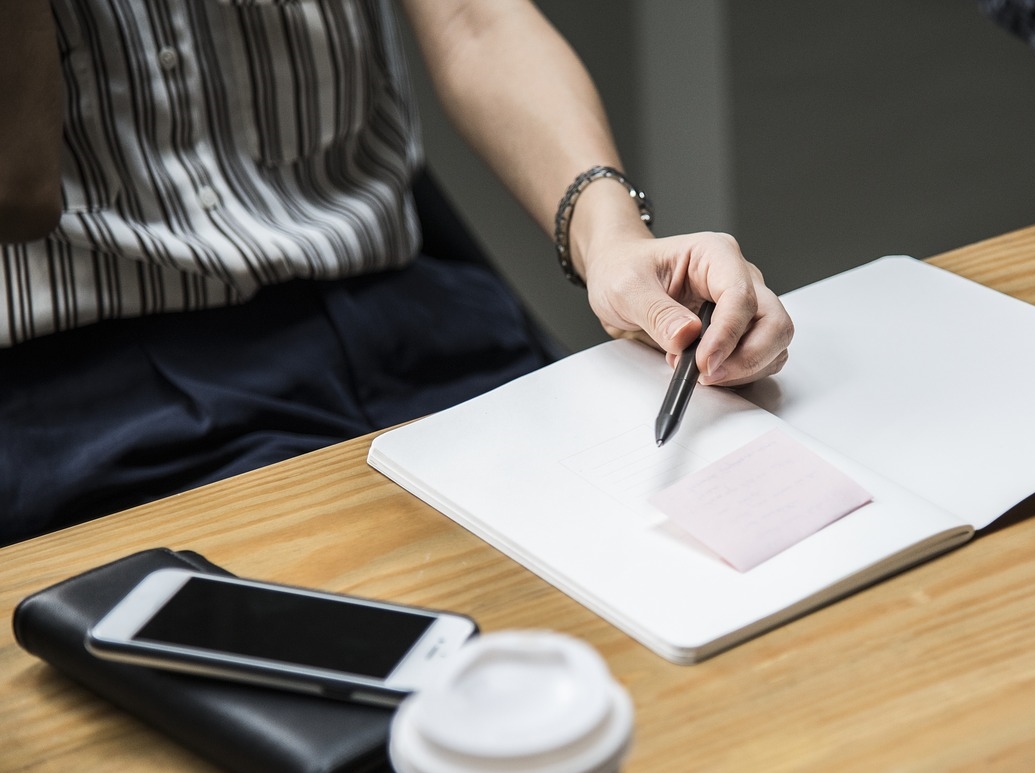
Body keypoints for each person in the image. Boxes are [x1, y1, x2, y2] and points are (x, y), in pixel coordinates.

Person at [0, 0, 793, 545]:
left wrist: (610, 236)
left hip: (407, 306)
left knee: (705, 555)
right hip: (104, 397)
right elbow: (17, 185)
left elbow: (475, 21)